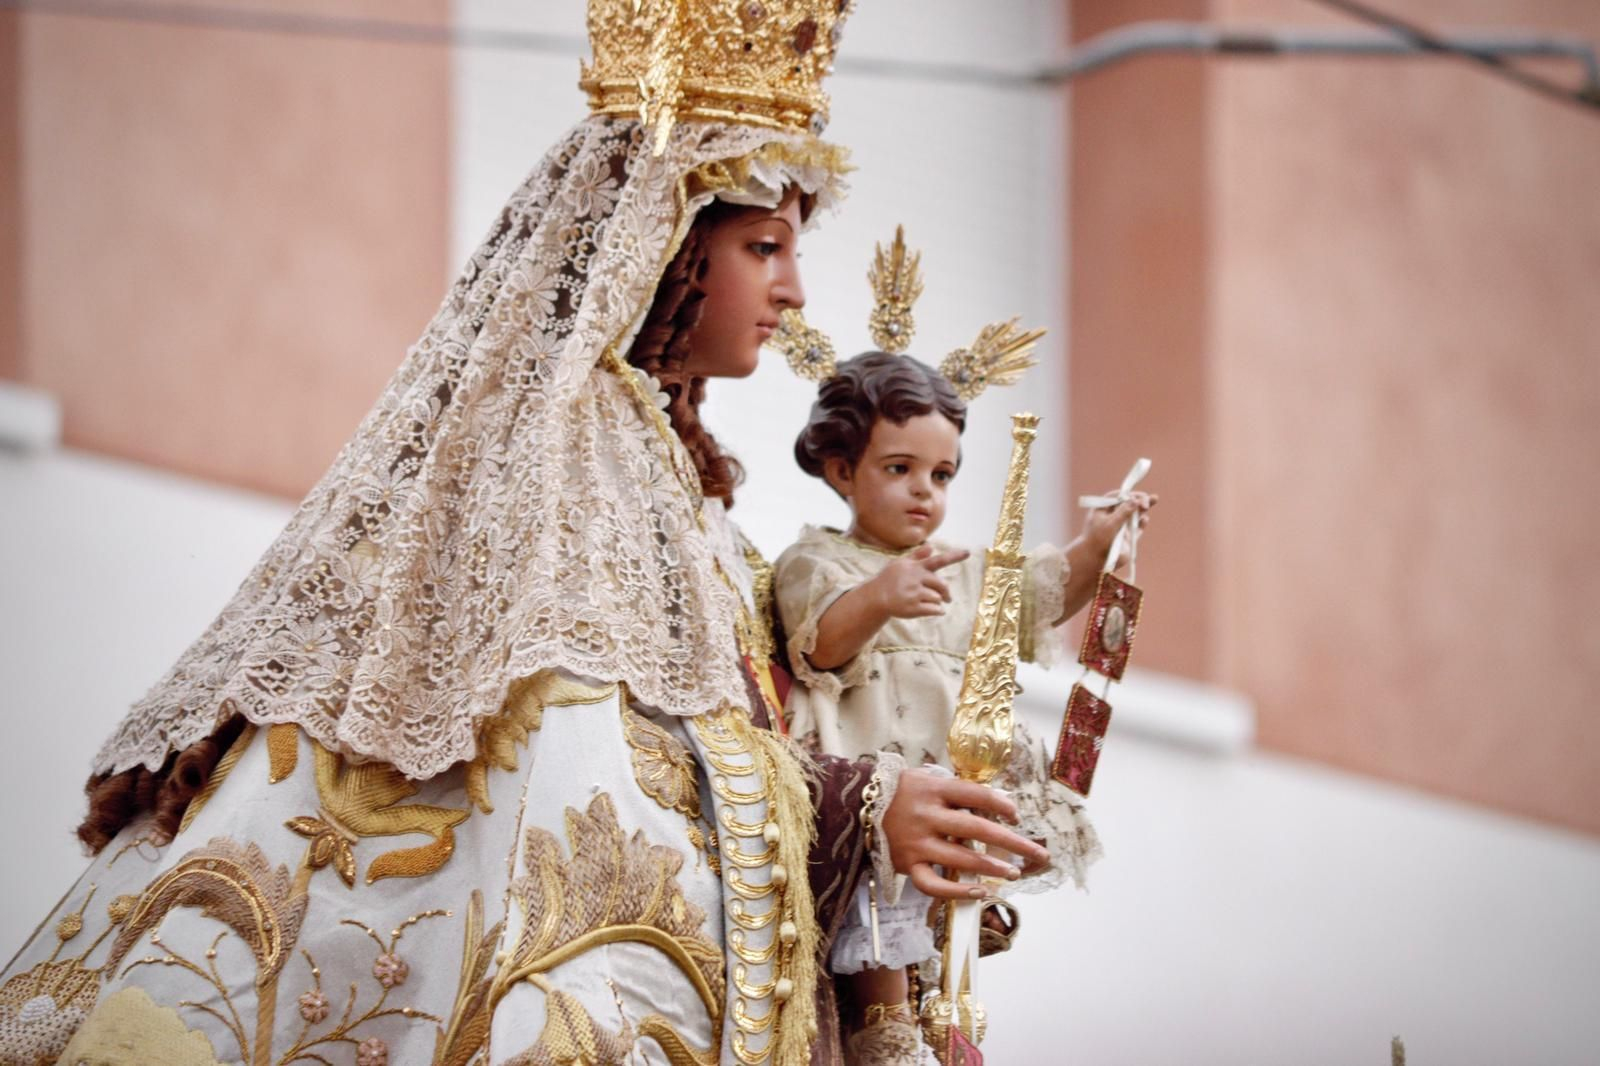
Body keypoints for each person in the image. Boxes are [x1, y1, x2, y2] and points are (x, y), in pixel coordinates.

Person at [0, 5, 1049, 1065]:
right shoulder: (568, 463)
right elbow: (599, 772)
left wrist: (899, 831)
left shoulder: (672, 479)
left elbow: (745, 732)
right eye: (762, 246)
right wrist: (866, 809)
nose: (793, 291)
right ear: (664, 246)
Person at [774, 352, 1155, 1060]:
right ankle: (881, 1029)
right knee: (881, 904)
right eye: (899, 469)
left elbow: (1041, 596)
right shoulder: (819, 562)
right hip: (879, 779)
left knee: (946, 926)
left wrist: (1097, 542)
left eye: (941, 475)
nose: (924, 492)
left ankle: (942, 1030)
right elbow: (818, 646)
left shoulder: (964, 570)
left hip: (956, 776)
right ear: (840, 471)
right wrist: (879, 597)